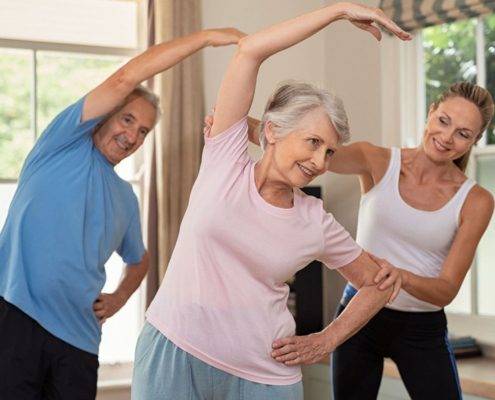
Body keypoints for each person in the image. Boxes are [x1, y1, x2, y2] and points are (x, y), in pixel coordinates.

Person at [132, 3, 411, 400]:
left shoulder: (315, 220)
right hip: (174, 351)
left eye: (330, 152)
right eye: (314, 142)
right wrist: (337, 11)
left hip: (264, 373)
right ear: (275, 131)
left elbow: (378, 284)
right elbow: (250, 51)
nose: (320, 162)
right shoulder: (225, 159)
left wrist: (326, 340)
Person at [0, 28, 244, 400]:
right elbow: (125, 77)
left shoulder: (125, 198)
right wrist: (207, 38)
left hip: (79, 341)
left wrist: (118, 298)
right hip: (17, 318)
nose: (132, 136)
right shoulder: (60, 146)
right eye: (127, 120)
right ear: (105, 114)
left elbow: (140, 260)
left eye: (143, 131)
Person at [271, 82, 495, 399]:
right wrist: (234, 123)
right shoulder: (376, 160)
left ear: (475, 140)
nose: (446, 137)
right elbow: (303, 146)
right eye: (444, 121)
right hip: (358, 315)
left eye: (463, 133)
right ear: (431, 112)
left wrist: (400, 277)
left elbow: (446, 289)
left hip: (421, 327)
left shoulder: (476, 201)